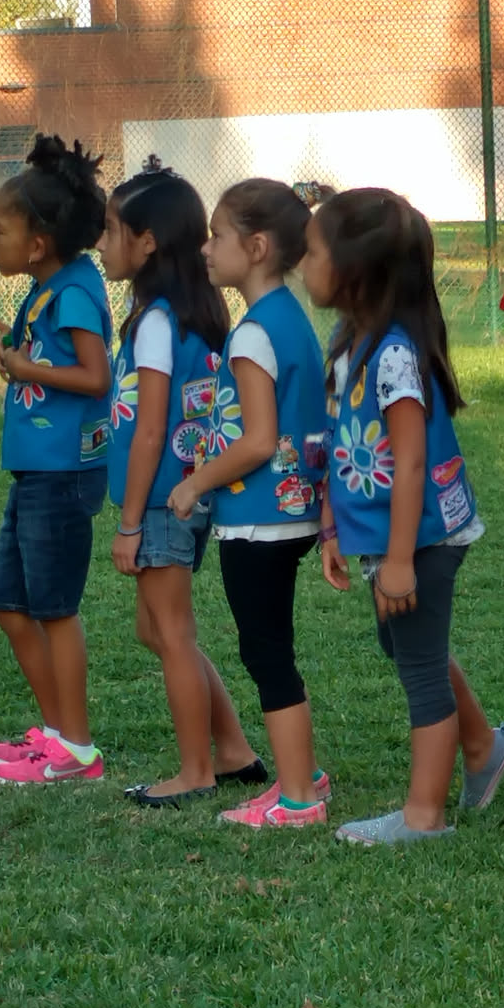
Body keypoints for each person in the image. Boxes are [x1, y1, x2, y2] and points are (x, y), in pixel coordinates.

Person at [304, 187, 504, 845]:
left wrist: (399, 561)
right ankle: (483, 747)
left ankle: (424, 816)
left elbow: (411, 461)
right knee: (401, 643)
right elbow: (340, 438)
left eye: (313, 252)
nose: (303, 264)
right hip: (392, 536)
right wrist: (332, 526)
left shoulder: (394, 353)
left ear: (356, 269)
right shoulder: (350, 342)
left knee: (420, 664)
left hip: (424, 536)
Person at [166, 178, 335, 828]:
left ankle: (297, 798)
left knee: (266, 655)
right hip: (292, 511)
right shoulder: (290, 318)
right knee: (273, 650)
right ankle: (302, 775)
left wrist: (195, 482)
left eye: (217, 236)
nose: (206, 249)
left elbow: (258, 439)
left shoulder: (252, 334)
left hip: (259, 521)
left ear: (257, 247)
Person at [102, 167, 266, 807]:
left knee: (172, 634)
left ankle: (196, 770)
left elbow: (149, 432)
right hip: (184, 494)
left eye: (111, 230)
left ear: (146, 242)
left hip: (162, 499)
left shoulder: (155, 322)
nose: (102, 243)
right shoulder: (194, 315)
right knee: (157, 631)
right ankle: (233, 751)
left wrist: (129, 524)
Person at [0, 135, 115, 786]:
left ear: (36, 245)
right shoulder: (47, 287)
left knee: (54, 610)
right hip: (35, 469)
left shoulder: (76, 292)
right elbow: (53, 362)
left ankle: (77, 749)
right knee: (10, 605)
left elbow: (95, 376)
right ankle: (56, 736)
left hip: (62, 473)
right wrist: (17, 351)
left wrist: (29, 369)